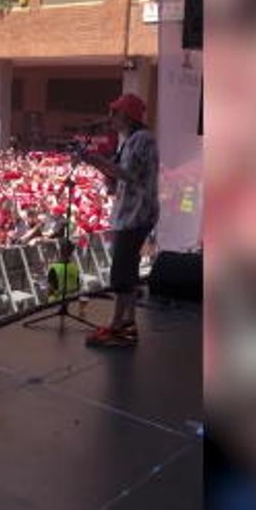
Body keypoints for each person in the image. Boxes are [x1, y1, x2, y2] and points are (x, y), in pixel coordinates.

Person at [79, 93, 159, 347]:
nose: (111, 117)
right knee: (126, 271)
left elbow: (130, 175)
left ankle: (123, 327)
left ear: (128, 115)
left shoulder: (142, 140)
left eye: (116, 113)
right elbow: (119, 179)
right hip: (129, 213)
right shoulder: (130, 140)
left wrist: (95, 160)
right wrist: (104, 171)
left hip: (136, 215)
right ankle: (123, 323)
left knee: (122, 273)